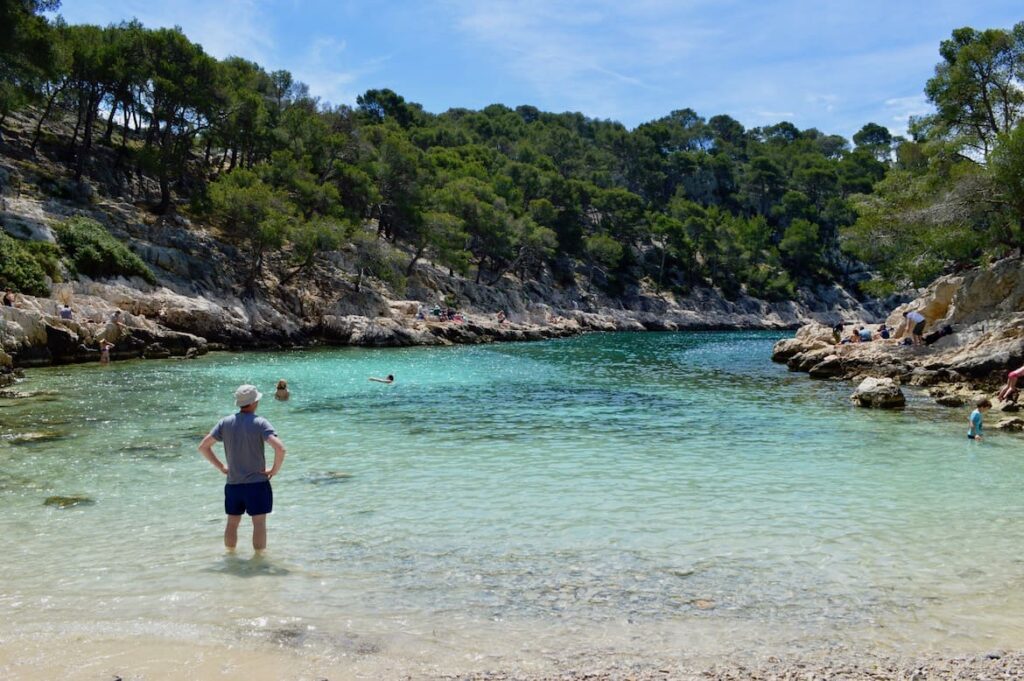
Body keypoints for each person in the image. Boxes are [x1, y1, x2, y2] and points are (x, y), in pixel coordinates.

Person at [198, 385, 286, 552]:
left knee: (232, 523)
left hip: (233, 484)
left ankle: (230, 557)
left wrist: (222, 467)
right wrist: (274, 470)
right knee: (259, 523)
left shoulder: (225, 422)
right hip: (257, 484)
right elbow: (280, 448)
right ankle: (258, 562)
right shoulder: (260, 422)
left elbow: (203, 446)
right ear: (254, 402)